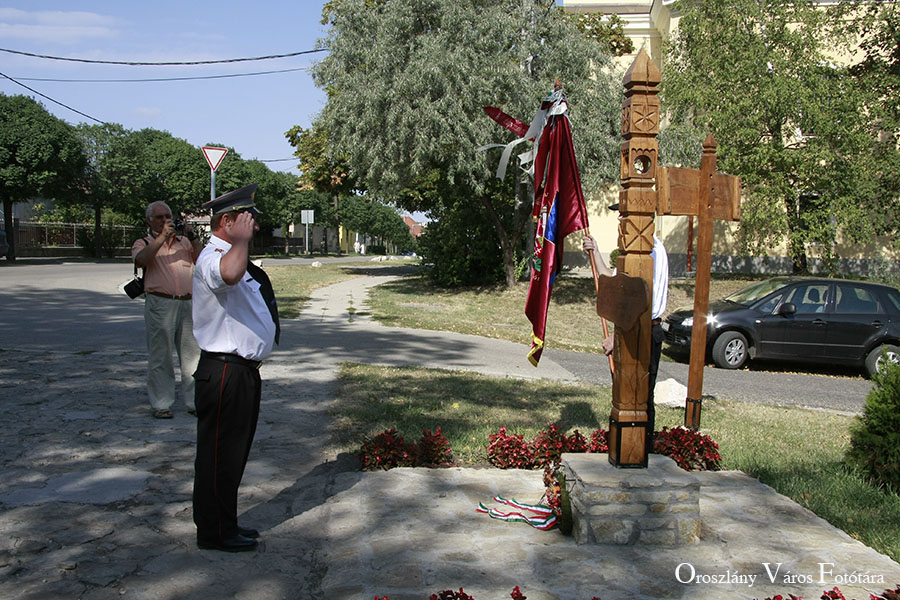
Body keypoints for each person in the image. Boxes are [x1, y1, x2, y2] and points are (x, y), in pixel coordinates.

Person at [191, 183, 280, 553]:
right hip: (224, 370)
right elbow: (227, 275)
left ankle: (226, 522)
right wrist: (240, 241)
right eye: (247, 220)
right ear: (227, 221)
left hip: (242, 372)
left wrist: (240, 243)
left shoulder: (234, 255)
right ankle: (213, 533)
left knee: (233, 455)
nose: (254, 227)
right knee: (218, 456)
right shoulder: (214, 257)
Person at [582, 203, 669, 434]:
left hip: (644, 331)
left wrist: (618, 337)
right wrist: (595, 252)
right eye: (619, 215)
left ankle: (640, 451)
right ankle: (626, 447)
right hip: (636, 330)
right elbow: (611, 281)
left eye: (624, 215)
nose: (620, 219)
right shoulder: (634, 250)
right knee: (627, 394)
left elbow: (639, 302)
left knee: (639, 397)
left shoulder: (649, 252)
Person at [132, 201, 202, 419]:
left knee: (193, 356)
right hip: (160, 303)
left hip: (188, 302)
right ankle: (162, 403)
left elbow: (201, 260)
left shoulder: (184, 242)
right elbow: (141, 261)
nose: (165, 221)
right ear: (149, 220)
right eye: (160, 217)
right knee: (160, 355)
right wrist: (161, 238)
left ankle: (194, 402)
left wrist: (192, 237)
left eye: (168, 216)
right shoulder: (143, 242)